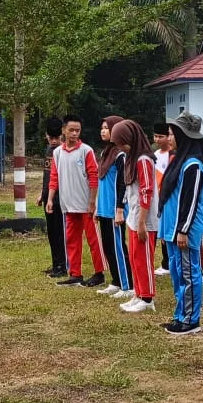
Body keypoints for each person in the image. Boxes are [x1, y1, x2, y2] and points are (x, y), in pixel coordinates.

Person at [158, 112, 203, 335]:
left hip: (184, 230)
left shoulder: (193, 165)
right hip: (172, 229)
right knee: (177, 273)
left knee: (188, 274)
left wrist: (183, 230)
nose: (169, 138)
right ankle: (180, 315)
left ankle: (191, 320)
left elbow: (191, 200)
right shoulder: (178, 160)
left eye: (171, 134)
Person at [47, 115, 106, 287]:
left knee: (93, 239)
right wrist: (50, 199)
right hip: (68, 205)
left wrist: (92, 201)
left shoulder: (86, 151)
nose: (74, 133)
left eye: (77, 130)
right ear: (63, 130)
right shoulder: (57, 153)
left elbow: (94, 176)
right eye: (71, 130)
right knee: (71, 240)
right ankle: (75, 273)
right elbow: (54, 177)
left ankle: (99, 273)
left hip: (86, 205)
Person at [111, 120, 160, 313]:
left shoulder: (143, 160)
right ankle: (138, 293)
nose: (120, 147)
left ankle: (147, 298)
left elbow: (146, 192)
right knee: (134, 257)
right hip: (133, 215)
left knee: (144, 258)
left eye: (121, 143)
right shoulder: (130, 158)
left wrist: (141, 223)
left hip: (144, 219)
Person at [95, 115, 133, 298]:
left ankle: (128, 285)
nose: (103, 131)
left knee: (119, 247)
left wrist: (119, 209)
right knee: (108, 246)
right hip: (103, 208)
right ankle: (116, 281)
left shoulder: (120, 155)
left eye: (106, 128)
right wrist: (96, 207)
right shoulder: (105, 153)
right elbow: (101, 182)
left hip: (115, 210)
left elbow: (122, 183)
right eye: (102, 127)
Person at [38, 117, 67, 278]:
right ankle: (56, 263)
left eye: (57, 138)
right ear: (47, 136)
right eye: (52, 138)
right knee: (51, 233)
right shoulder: (49, 151)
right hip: (48, 199)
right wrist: (42, 195)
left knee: (60, 233)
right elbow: (47, 176)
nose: (54, 141)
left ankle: (63, 265)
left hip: (61, 199)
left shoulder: (63, 151)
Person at [153, 123, 172, 276]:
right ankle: (165, 263)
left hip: (168, 198)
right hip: (156, 198)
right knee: (159, 230)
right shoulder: (155, 155)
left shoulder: (172, 155)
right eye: (156, 136)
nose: (158, 139)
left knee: (167, 230)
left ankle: (168, 262)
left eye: (161, 136)